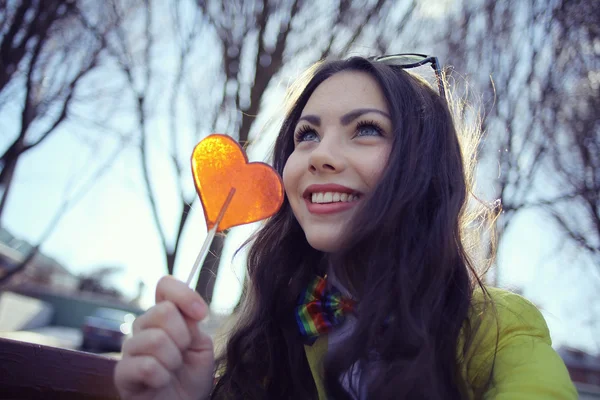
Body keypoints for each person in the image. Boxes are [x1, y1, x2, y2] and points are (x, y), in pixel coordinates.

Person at [114, 55, 577, 399]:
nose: (319, 155)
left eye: (367, 129)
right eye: (306, 135)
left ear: (425, 166)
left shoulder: (497, 329)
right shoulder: (267, 338)